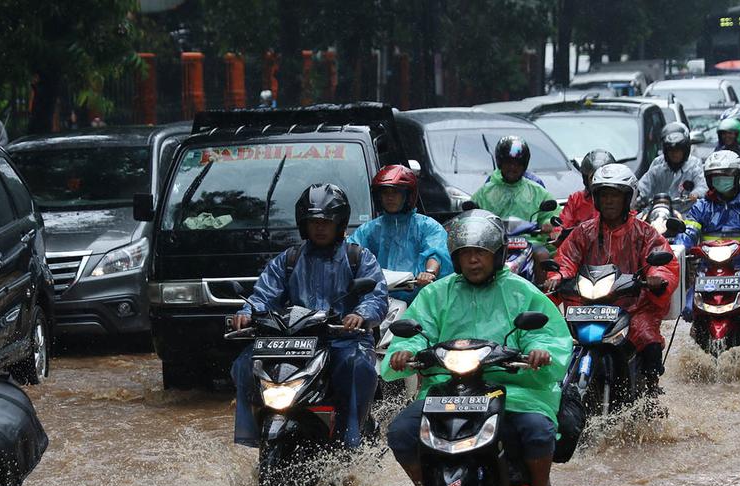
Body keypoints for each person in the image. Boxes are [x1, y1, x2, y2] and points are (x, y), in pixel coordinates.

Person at [382, 209, 573, 486]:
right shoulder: (436, 293)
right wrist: (404, 352)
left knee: (537, 430)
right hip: (447, 389)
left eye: (481, 254)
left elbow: (548, 333)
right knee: (401, 431)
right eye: (466, 254)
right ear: (455, 259)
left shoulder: (521, 291)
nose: (473, 261)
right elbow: (417, 331)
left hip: (512, 387)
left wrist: (540, 352)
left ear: (496, 255)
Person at [231, 184, 388, 449]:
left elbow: (376, 296)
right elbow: (264, 293)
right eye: (313, 221)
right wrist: (247, 312)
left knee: (356, 368)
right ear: (303, 224)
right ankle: (251, 434)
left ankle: (350, 436)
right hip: (294, 341)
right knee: (244, 364)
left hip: (343, 339)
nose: (320, 227)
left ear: (341, 223)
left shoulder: (358, 257)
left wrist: (360, 315)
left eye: (327, 221)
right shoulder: (289, 258)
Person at [546, 163, 680, 400]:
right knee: (559, 344)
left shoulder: (644, 232)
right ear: (596, 198)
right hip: (587, 306)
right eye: (604, 195)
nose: (609, 201)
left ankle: (650, 392)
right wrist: (557, 277)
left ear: (627, 198)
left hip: (632, 306)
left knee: (648, 339)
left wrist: (656, 278)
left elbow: (662, 261)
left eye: (615, 195)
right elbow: (566, 259)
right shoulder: (582, 232)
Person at [681, 150, 740, 335]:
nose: (721, 180)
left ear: (737, 176)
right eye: (716, 177)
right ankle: (700, 325)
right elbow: (689, 230)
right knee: (688, 310)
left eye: (726, 176)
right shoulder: (702, 206)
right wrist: (679, 248)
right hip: (708, 268)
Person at [346, 165, 451, 301]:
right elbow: (352, 251)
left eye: (395, 192)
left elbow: (437, 252)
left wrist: (429, 272)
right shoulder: (368, 230)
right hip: (377, 300)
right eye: (385, 193)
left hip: (419, 301)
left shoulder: (427, 226)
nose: (390, 197)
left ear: (408, 195)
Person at [471, 135, 560, 237]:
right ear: (500, 163)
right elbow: (472, 217)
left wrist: (548, 223)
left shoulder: (537, 191)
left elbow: (553, 216)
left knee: (542, 254)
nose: (512, 168)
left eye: (517, 164)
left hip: (529, 243)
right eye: (508, 163)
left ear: (524, 165)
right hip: (495, 245)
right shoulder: (485, 192)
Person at [636, 122, 708, 210]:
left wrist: (696, 193)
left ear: (685, 150)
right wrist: (637, 197)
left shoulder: (694, 165)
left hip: (685, 213)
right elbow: (643, 186)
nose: (675, 154)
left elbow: (702, 186)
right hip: (657, 211)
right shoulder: (657, 166)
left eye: (678, 150)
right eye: (671, 150)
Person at [559, 149, 616, 228]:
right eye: (594, 177)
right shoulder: (576, 199)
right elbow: (563, 224)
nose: (598, 182)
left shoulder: (619, 198)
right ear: (586, 179)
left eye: (603, 177)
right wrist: (557, 231)